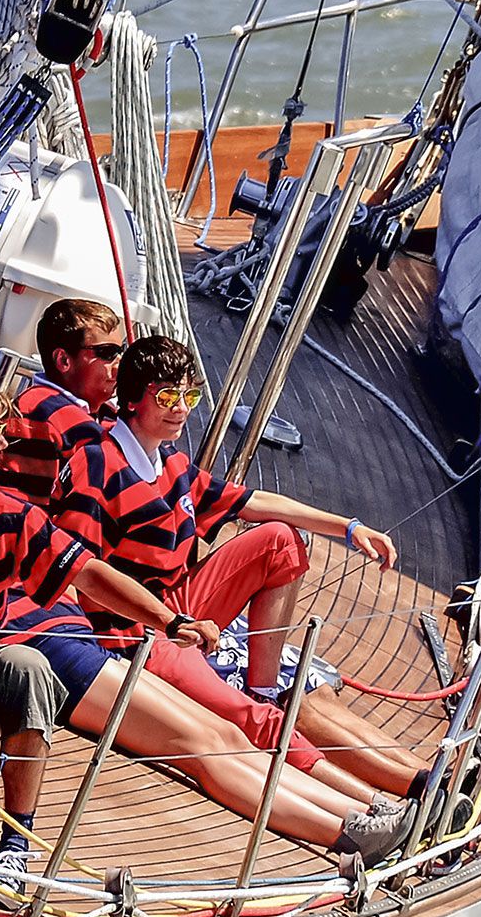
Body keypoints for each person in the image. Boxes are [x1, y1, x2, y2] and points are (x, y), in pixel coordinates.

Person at [0, 388, 409, 880]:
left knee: (217, 734)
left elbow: (88, 572)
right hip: (31, 653)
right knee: (201, 740)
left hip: (63, 638)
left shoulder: (5, 513)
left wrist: (171, 621)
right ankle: (352, 830)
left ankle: (361, 819)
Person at [57, 333, 420, 795]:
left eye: (189, 395)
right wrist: (158, 628)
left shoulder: (170, 465)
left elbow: (252, 502)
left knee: (281, 541)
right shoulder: (99, 464)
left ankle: (262, 686)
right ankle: (372, 806)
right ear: (132, 398)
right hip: (135, 632)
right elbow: (78, 572)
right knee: (251, 720)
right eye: (167, 395)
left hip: (176, 606)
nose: (181, 407)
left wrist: (349, 529)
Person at [0, 296, 120, 504]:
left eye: (122, 352)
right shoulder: (37, 415)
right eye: (108, 354)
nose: (119, 364)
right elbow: (22, 510)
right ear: (64, 360)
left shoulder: (110, 416)